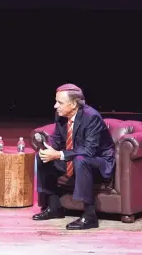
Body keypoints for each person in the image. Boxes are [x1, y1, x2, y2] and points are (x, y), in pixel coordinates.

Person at [32, 83, 115, 230]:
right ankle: (54, 207)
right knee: (43, 158)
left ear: (73, 104)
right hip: (75, 159)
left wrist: (58, 154)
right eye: (56, 101)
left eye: (60, 103)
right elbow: (57, 139)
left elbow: (89, 151)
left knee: (81, 159)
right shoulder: (61, 115)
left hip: (99, 162)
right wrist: (49, 148)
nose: (55, 106)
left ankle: (90, 216)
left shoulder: (91, 117)